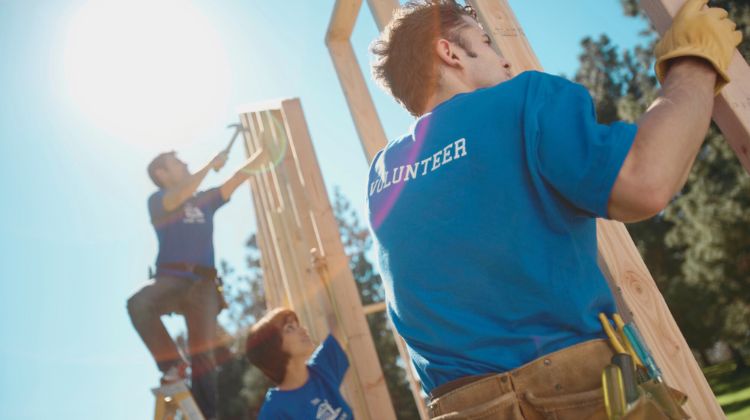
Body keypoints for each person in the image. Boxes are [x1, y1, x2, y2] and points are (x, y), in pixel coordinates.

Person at [366, 0, 740, 418]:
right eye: (486, 42)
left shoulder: (382, 176)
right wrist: (694, 63)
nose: (506, 62)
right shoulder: (522, 98)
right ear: (449, 53)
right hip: (571, 394)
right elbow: (644, 181)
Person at [127, 145, 267, 419]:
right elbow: (179, 196)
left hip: (203, 286)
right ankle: (172, 365)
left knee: (203, 357)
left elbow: (237, 178)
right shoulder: (158, 201)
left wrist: (264, 153)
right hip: (171, 279)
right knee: (138, 304)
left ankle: (207, 416)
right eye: (176, 163)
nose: (185, 164)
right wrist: (210, 165)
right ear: (162, 173)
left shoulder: (205, 200)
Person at [245, 307, 352, 420]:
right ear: (273, 349)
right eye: (289, 328)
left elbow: (341, 321)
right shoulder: (274, 413)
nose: (303, 329)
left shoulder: (320, 369)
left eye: (297, 325)